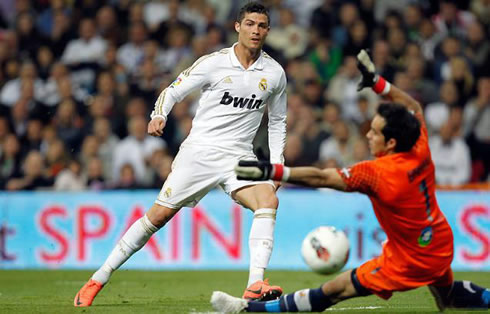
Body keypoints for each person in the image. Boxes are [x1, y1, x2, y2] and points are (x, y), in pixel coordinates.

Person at [210, 50, 490, 313]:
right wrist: (378, 84)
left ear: (391, 142)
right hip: (439, 241)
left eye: (375, 133)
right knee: (448, 300)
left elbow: (322, 177)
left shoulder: (377, 173)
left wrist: (272, 171)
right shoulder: (418, 145)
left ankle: (250, 308)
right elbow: (414, 106)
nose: (368, 135)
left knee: (334, 290)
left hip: (408, 260)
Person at [74, 2, 287, 307]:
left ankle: (254, 283)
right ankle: (99, 276)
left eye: (262, 25)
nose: (256, 30)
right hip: (199, 152)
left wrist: (277, 163)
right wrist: (158, 114)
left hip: (240, 156)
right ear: (238, 27)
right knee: (158, 216)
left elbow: (278, 121)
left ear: (268, 30)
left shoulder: (275, 73)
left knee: (268, 199)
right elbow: (173, 90)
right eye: (250, 24)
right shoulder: (214, 63)